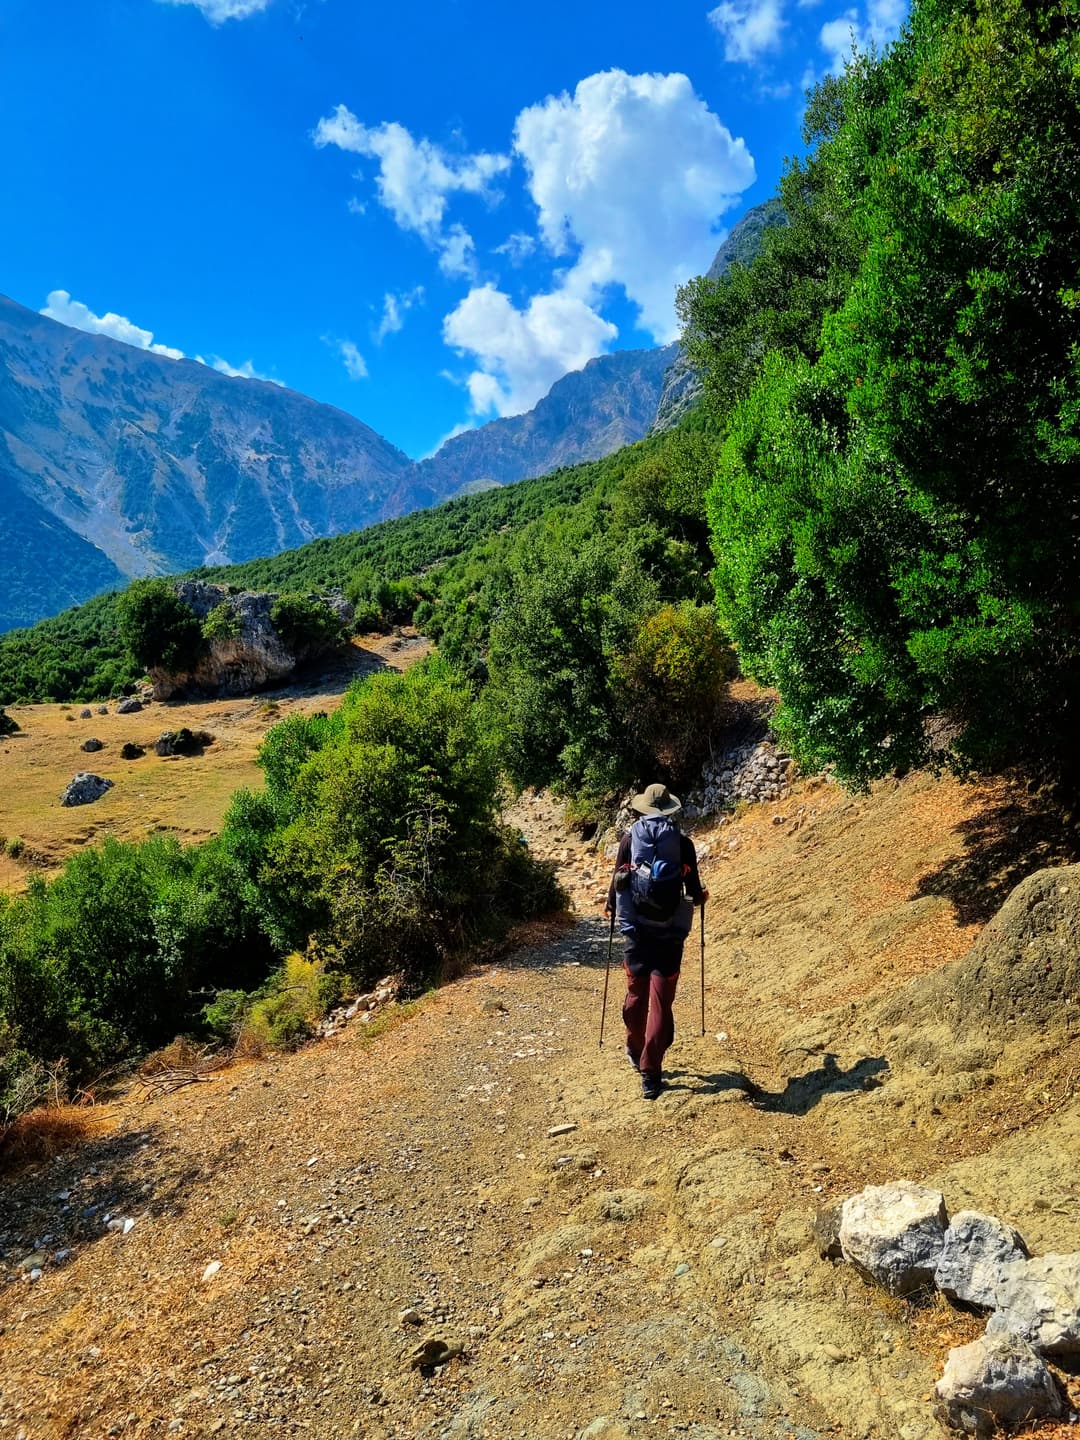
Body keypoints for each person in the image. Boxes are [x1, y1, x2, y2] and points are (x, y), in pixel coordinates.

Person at [605, 782, 708, 1100]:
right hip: (669, 934)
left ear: (643, 809)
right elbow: (693, 893)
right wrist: (700, 897)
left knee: (636, 995)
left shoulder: (628, 839)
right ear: (670, 810)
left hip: (636, 932)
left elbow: (616, 884)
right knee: (661, 1003)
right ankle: (651, 1074)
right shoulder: (683, 844)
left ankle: (635, 1048)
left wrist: (612, 907)